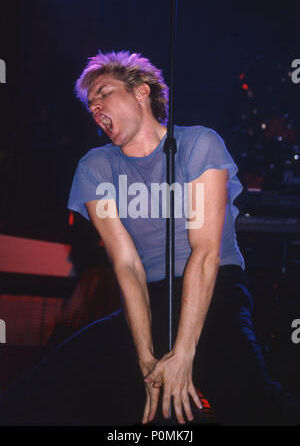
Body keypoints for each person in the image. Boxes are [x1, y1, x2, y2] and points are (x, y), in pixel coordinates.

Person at [0, 50, 298, 426]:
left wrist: (185, 352)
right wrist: (145, 359)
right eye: (90, 104)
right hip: (147, 300)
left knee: (251, 398)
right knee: (41, 392)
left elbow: (206, 254)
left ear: (141, 91)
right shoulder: (95, 168)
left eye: (103, 93)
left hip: (214, 291)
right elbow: (126, 264)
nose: (94, 107)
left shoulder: (199, 145)